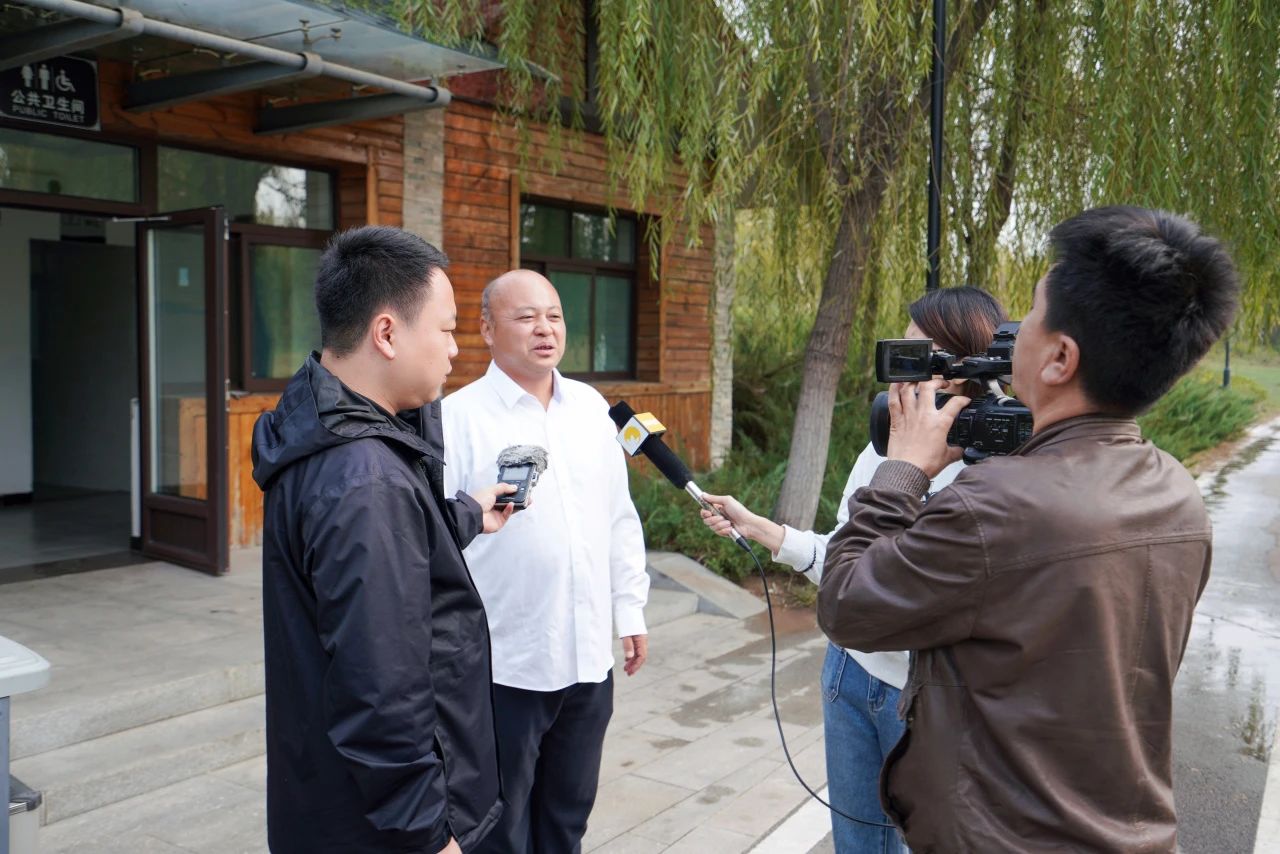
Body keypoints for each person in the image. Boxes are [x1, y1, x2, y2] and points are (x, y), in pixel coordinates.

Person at [817, 206, 1239, 852]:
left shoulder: (994, 507)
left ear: (1060, 358)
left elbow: (847, 603)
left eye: (1033, 315)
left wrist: (902, 471)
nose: (1014, 331)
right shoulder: (1178, 497)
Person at [701, 286, 1006, 853]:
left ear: (967, 369)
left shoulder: (996, 469)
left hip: (928, 701)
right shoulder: (883, 446)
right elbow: (849, 567)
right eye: (901, 355)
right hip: (849, 674)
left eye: (920, 359)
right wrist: (762, 529)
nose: (901, 376)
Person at [252, 226, 516, 854]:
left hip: (325, 799)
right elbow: (381, 688)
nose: (455, 349)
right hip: (380, 831)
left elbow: (384, 561)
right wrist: (428, 833)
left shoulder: (323, 430)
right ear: (388, 334)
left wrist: (465, 515)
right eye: (447, 329)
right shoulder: (365, 480)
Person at [442, 269, 650, 854]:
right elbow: (435, 536)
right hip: (504, 664)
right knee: (499, 827)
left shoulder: (590, 408)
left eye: (554, 316)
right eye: (526, 317)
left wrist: (629, 610)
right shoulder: (456, 418)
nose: (545, 329)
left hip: (587, 658)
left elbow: (618, 518)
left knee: (567, 819)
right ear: (487, 329)